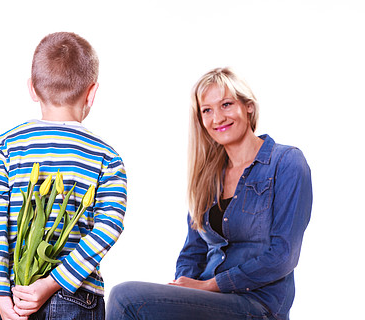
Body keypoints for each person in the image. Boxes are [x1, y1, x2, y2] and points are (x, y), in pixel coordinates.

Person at [106, 67, 312, 320]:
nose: (217, 118)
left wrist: (211, 285)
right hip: (209, 300)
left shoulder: (286, 162)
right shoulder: (208, 176)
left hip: (259, 305)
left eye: (226, 104)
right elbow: (192, 252)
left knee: (126, 299)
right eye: (207, 110)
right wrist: (182, 287)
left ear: (248, 106)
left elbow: (283, 256)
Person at [0, 32, 127, 320]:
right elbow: (110, 226)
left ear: (32, 88)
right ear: (92, 92)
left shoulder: (6, 146)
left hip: (13, 296)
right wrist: (52, 283)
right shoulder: (107, 157)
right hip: (75, 295)